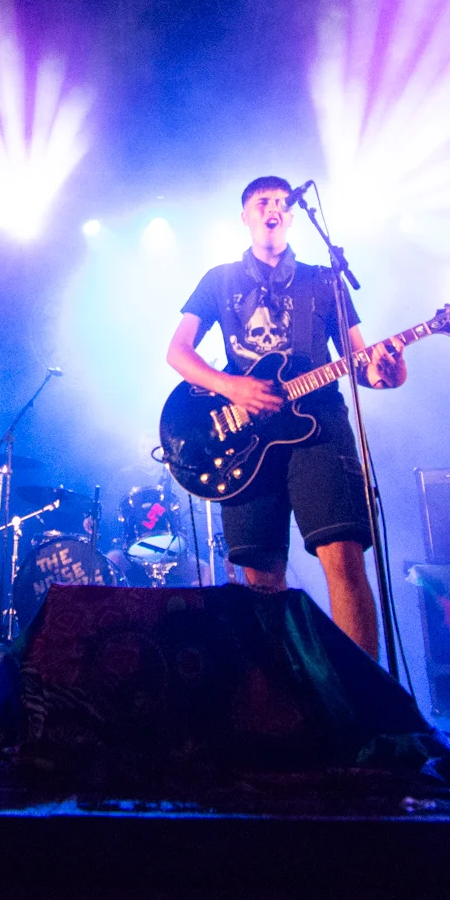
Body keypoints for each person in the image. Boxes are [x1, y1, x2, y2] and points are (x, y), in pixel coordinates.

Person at [165, 176, 407, 659]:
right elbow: (178, 351)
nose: (272, 208)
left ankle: (359, 691)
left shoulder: (324, 279)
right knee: (260, 576)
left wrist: (389, 373)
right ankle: (276, 691)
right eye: (262, 202)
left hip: (320, 427)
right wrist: (231, 386)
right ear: (245, 216)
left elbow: (361, 361)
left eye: (280, 202)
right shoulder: (219, 280)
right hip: (245, 436)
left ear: (293, 216)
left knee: (343, 556)